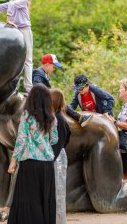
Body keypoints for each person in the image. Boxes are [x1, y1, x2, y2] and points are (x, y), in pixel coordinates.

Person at [8, 84, 57, 224]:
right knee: (45, 199)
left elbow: (21, 139)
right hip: (47, 165)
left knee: (28, 199)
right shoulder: (52, 118)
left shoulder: (27, 116)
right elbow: (54, 140)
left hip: (30, 163)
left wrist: (13, 160)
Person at [0, 0, 37, 93]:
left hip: (15, 32)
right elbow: (11, 6)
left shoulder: (15, 1)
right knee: (28, 60)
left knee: (17, 60)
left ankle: (14, 87)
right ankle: (28, 87)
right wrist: (9, 19)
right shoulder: (24, 0)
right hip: (25, 30)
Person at [32, 56, 92, 127]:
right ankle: (79, 117)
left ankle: (79, 117)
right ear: (47, 65)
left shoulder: (43, 74)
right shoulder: (38, 74)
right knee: (60, 101)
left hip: (45, 100)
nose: (54, 69)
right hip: (42, 102)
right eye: (53, 67)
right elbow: (38, 89)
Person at [50, 88, 71, 224]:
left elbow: (61, 142)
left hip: (57, 159)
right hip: (56, 157)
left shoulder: (60, 120)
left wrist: (50, 159)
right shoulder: (55, 118)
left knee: (58, 193)